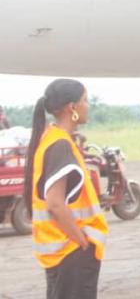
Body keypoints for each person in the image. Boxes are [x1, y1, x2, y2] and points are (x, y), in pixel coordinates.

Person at [23, 79, 108, 299]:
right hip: (70, 251)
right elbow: (55, 204)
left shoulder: (51, 139)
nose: (88, 106)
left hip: (62, 252)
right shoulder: (60, 144)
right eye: (85, 101)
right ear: (72, 108)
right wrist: (82, 241)